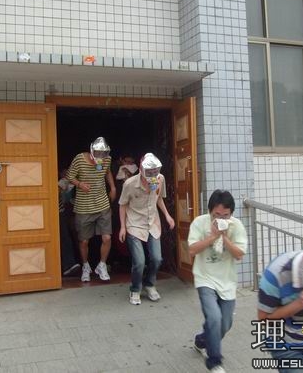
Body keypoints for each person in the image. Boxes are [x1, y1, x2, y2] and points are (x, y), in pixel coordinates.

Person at [188, 190, 248, 373]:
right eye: (216, 215)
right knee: (214, 317)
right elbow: (192, 250)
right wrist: (212, 236)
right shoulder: (200, 223)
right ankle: (214, 361)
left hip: (227, 281)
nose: (221, 218)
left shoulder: (236, 226)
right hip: (204, 278)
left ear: (231, 214)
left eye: (225, 215)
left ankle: (201, 340)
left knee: (225, 323)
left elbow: (239, 254)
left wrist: (224, 237)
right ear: (210, 211)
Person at [118, 153, 175, 305]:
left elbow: (159, 198)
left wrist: (167, 216)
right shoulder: (129, 184)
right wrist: (122, 227)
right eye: (149, 172)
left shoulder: (160, 179)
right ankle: (135, 288)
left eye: (155, 171)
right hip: (134, 224)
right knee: (139, 262)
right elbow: (122, 205)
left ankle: (149, 284)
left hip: (152, 223)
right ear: (141, 171)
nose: (153, 175)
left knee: (157, 258)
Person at [66, 137, 117, 282]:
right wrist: (79, 184)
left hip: (102, 203)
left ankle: (102, 265)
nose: (101, 157)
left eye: (103, 154)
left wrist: (113, 187)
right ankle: (85, 266)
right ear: (92, 151)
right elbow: (70, 176)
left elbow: (107, 172)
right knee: (84, 241)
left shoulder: (107, 159)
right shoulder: (80, 159)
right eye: (98, 153)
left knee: (107, 237)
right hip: (84, 206)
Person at [58, 169, 80, 276]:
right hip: (54, 214)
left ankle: (69, 264)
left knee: (66, 238)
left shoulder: (70, 183)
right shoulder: (61, 183)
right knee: (63, 239)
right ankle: (66, 265)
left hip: (62, 212)